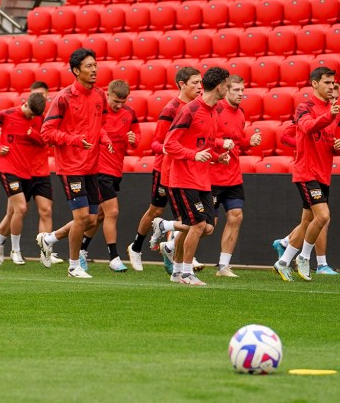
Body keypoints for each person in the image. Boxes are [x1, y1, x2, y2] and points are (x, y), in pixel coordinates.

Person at [37, 48, 112, 278]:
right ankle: (73, 266)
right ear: (76, 70)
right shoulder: (64, 97)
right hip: (71, 166)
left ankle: (49, 239)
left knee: (92, 219)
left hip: (92, 165)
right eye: (89, 66)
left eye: (95, 65)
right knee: (81, 218)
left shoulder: (100, 95)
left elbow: (100, 125)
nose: (94, 70)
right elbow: (46, 132)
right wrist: (74, 140)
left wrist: (105, 138)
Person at [164, 67, 233, 286]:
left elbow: (203, 145)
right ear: (219, 87)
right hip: (184, 178)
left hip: (202, 179)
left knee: (208, 227)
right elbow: (169, 144)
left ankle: (176, 268)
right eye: (227, 86)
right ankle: (186, 273)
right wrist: (193, 155)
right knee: (198, 225)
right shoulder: (190, 109)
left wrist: (217, 157)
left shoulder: (214, 110)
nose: (228, 89)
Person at [273, 67, 340, 282]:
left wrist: (337, 147)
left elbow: (333, 140)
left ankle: (283, 262)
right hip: (306, 171)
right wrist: (328, 116)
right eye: (327, 82)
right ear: (314, 83)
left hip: (323, 173)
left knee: (306, 223)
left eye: (333, 83)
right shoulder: (305, 107)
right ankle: (304, 257)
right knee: (323, 216)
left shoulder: (335, 111)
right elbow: (307, 127)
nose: (331, 86)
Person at [128, 67, 201, 271]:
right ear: (182, 84)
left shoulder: (198, 107)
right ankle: (136, 247)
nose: (199, 87)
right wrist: (170, 149)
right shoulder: (171, 109)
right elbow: (156, 143)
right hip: (165, 168)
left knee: (186, 215)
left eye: (200, 82)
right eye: (195, 83)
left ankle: (178, 254)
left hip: (187, 168)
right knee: (156, 210)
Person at [0, 91, 47, 265]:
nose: (32, 117)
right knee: (21, 208)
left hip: (26, 171)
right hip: (8, 169)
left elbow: (44, 141)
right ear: (25, 104)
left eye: (35, 115)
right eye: (31, 113)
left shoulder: (38, 119)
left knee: (12, 212)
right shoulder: (7, 114)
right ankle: (16, 251)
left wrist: (32, 133)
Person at [84, 79, 139, 273]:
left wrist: (134, 140)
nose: (119, 105)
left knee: (96, 216)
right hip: (99, 169)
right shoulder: (99, 111)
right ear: (108, 95)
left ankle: (74, 246)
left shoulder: (130, 113)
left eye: (123, 102)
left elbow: (136, 139)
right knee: (112, 212)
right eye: (116, 101)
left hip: (116, 169)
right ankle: (114, 257)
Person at [209, 75, 261, 278]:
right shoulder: (215, 110)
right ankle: (172, 239)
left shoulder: (240, 113)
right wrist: (220, 143)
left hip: (233, 175)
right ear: (226, 90)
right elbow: (204, 138)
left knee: (236, 216)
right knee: (207, 226)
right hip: (213, 175)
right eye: (236, 90)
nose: (240, 94)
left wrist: (249, 143)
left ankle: (223, 266)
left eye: (242, 90)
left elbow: (237, 143)